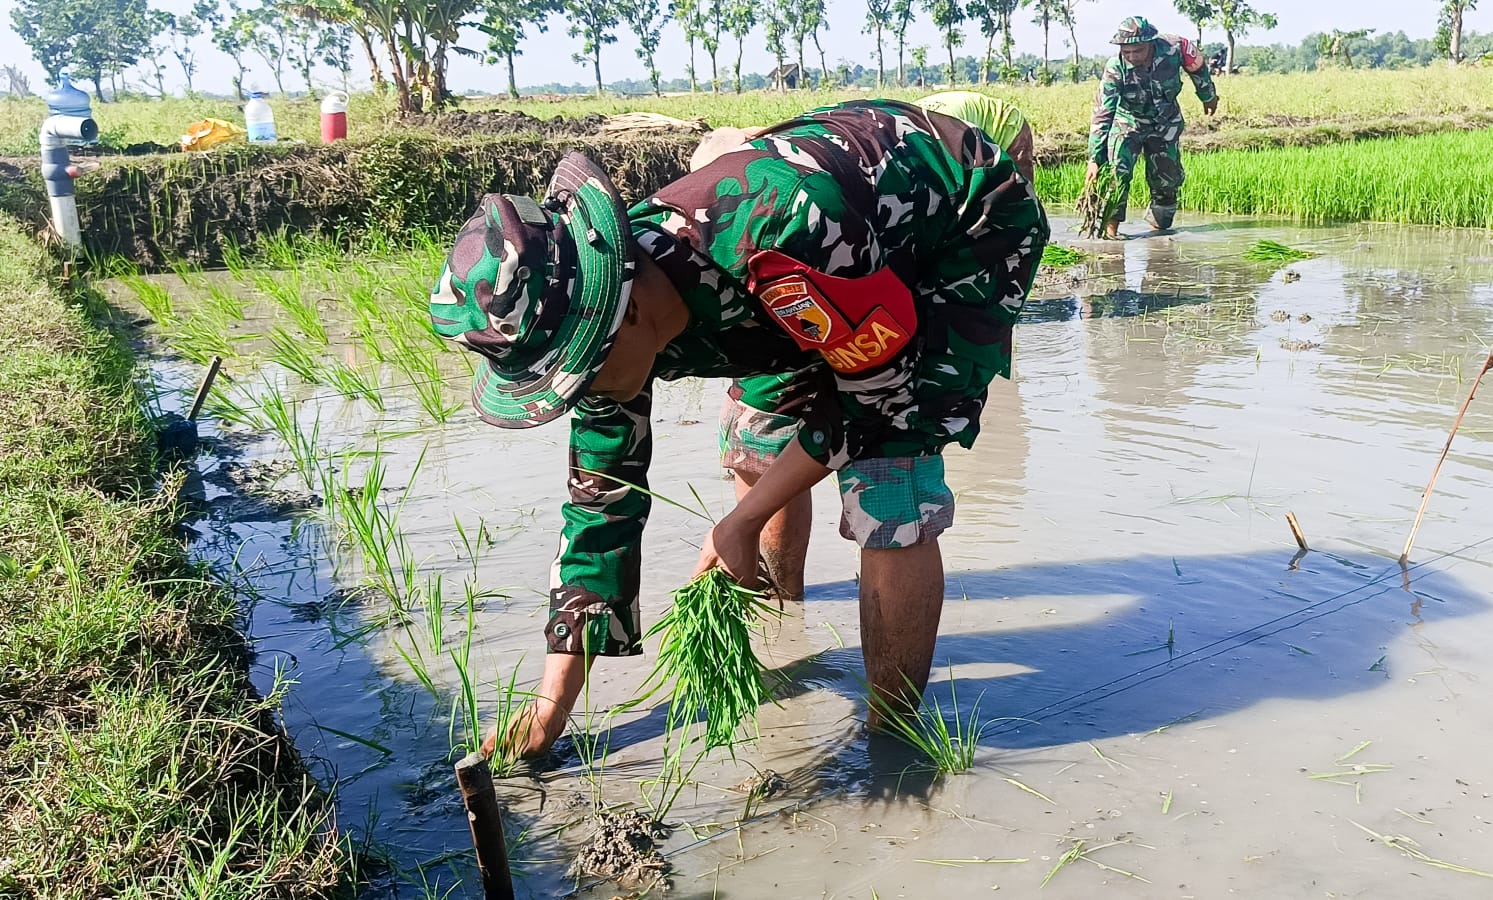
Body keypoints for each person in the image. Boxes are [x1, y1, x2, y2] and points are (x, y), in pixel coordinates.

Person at [428, 100, 1049, 760]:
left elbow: (870, 403)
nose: (583, 395)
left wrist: (741, 521)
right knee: (754, 444)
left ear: (626, 310)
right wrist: (550, 711)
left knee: (890, 479)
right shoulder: (607, 321)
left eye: (583, 371)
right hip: (803, 285)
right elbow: (598, 512)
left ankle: (890, 741)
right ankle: (787, 621)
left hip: (956, 229)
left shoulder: (776, 231)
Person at [1087, 15, 1219, 238]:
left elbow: (1198, 69)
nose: (1131, 56)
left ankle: (1159, 236)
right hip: (1128, 122)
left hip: (1165, 122)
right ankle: (1111, 236)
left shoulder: (1176, 48)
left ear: (1150, 43)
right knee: (1117, 175)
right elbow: (1102, 114)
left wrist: (1208, 96)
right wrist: (1094, 159)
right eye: (1125, 51)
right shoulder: (1115, 69)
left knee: (1166, 181)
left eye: (1137, 51)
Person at [913, 91, 1036, 185]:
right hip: (957, 122)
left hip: (1005, 122)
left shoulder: (944, 140)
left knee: (1020, 195)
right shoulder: (904, 135)